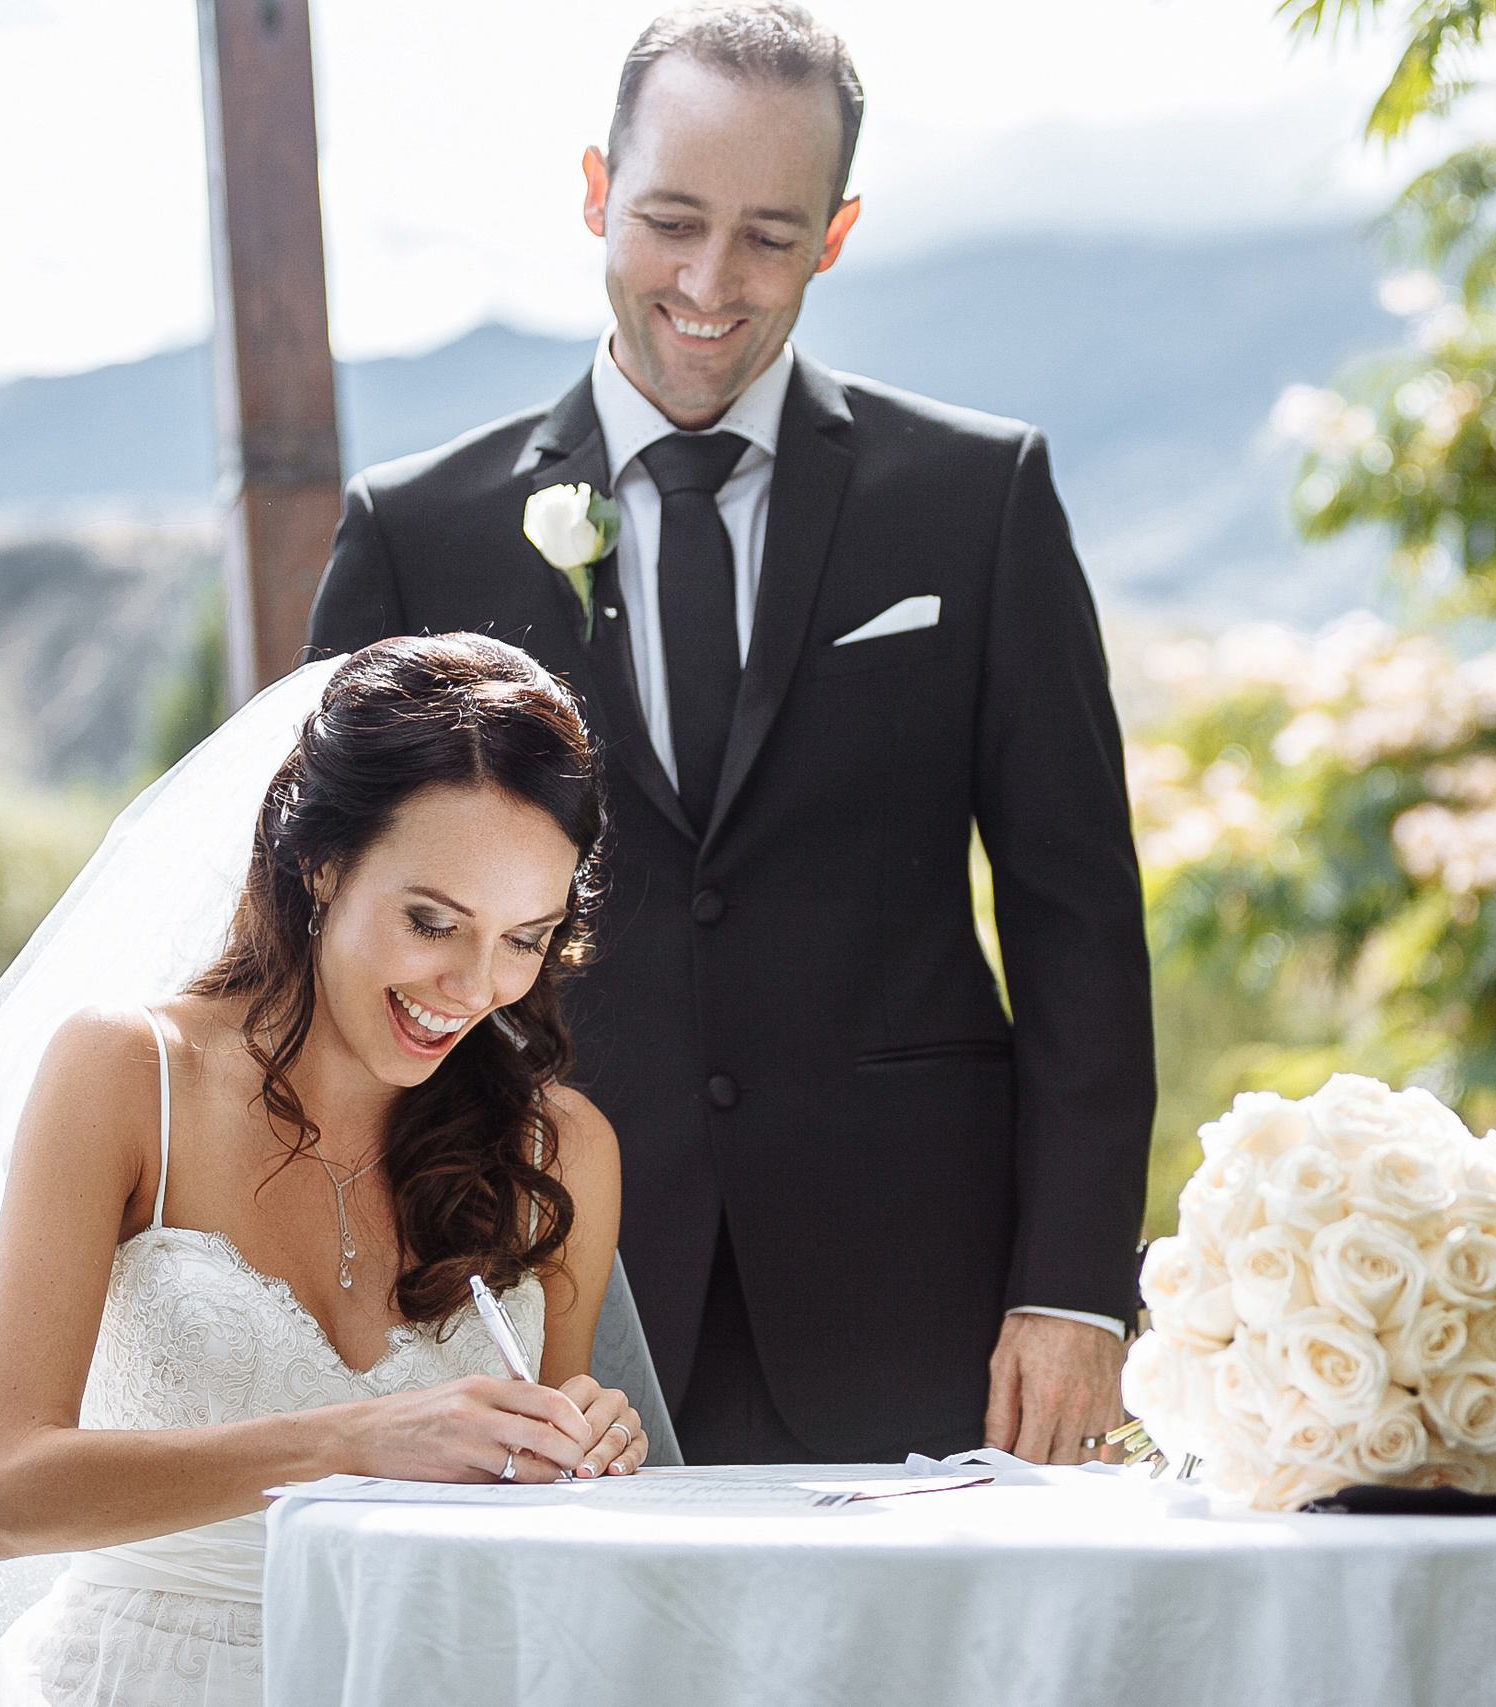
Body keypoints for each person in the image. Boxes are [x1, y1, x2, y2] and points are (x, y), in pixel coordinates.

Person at [306, 2, 1154, 1467]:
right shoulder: (413, 532)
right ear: (595, 192)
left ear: (837, 232)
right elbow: (317, 928)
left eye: (769, 235)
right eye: (671, 221)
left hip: (923, 1298)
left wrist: (1074, 1285)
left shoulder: (979, 499)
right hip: (527, 1300)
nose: (710, 283)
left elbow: (1078, 919)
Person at [0, 636, 646, 1707]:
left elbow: (535, 1537)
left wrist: (577, 1450)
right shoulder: (125, 1074)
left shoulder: (560, 1154)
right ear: (322, 861)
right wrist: (357, 1441)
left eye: (524, 938)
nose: (475, 986)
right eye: (432, 921)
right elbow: (6, 1495)